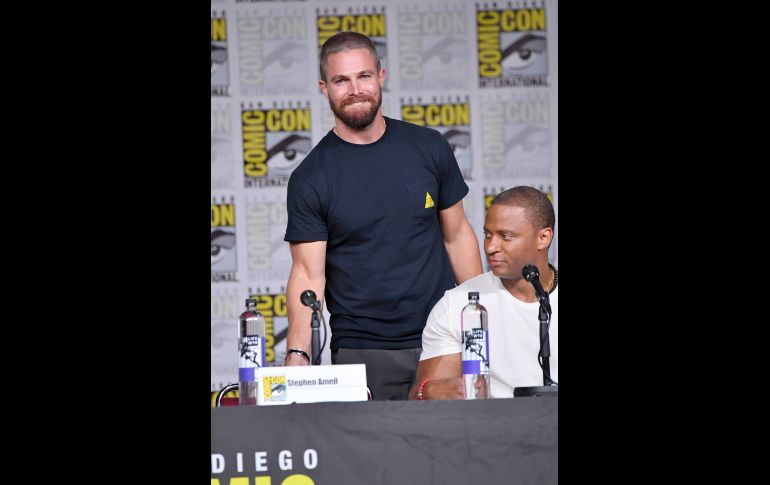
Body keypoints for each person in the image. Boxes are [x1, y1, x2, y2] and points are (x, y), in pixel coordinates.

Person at [283, 31, 482, 400]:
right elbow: (307, 275)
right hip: (363, 348)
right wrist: (298, 355)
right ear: (324, 88)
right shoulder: (311, 178)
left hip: (442, 339)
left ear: (381, 76)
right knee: (369, 442)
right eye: (341, 80)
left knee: (452, 438)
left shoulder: (429, 147)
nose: (355, 89)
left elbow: (457, 237)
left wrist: (481, 324)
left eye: (364, 76)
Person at [407, 186, 558, 400]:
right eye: (488, 235)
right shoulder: (457, 304)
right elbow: (423, 393)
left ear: (543, 238)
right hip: (490, 420)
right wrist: (430, 391)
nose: (490, 247)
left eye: (506, 236)